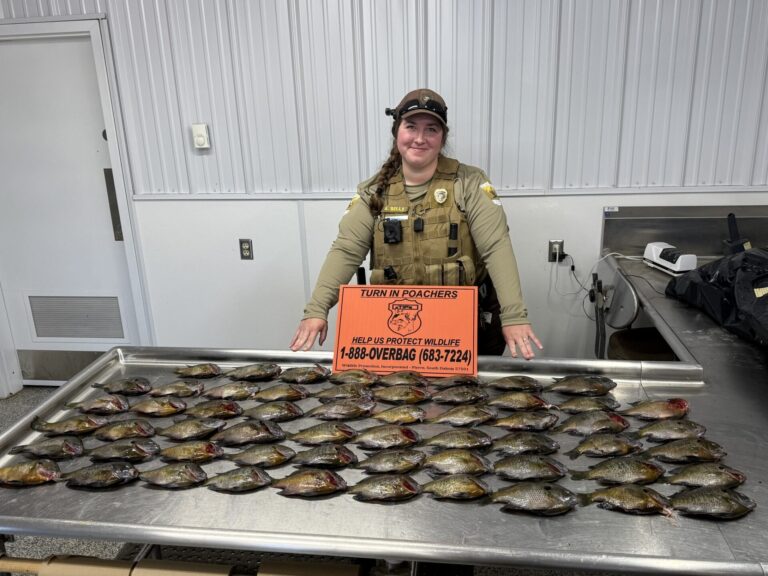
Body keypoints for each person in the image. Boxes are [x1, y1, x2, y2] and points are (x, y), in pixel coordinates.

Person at [290, 88, 542, 359]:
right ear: (397, 132)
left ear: (442, 137)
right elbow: (346, 249)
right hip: (398, 332)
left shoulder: (469, 183)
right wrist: (317, 308)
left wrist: (514, 315)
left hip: (465, 331)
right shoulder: (373, 191)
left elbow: (495, 246)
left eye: (431, 129)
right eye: (411, 127)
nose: (420, 138)